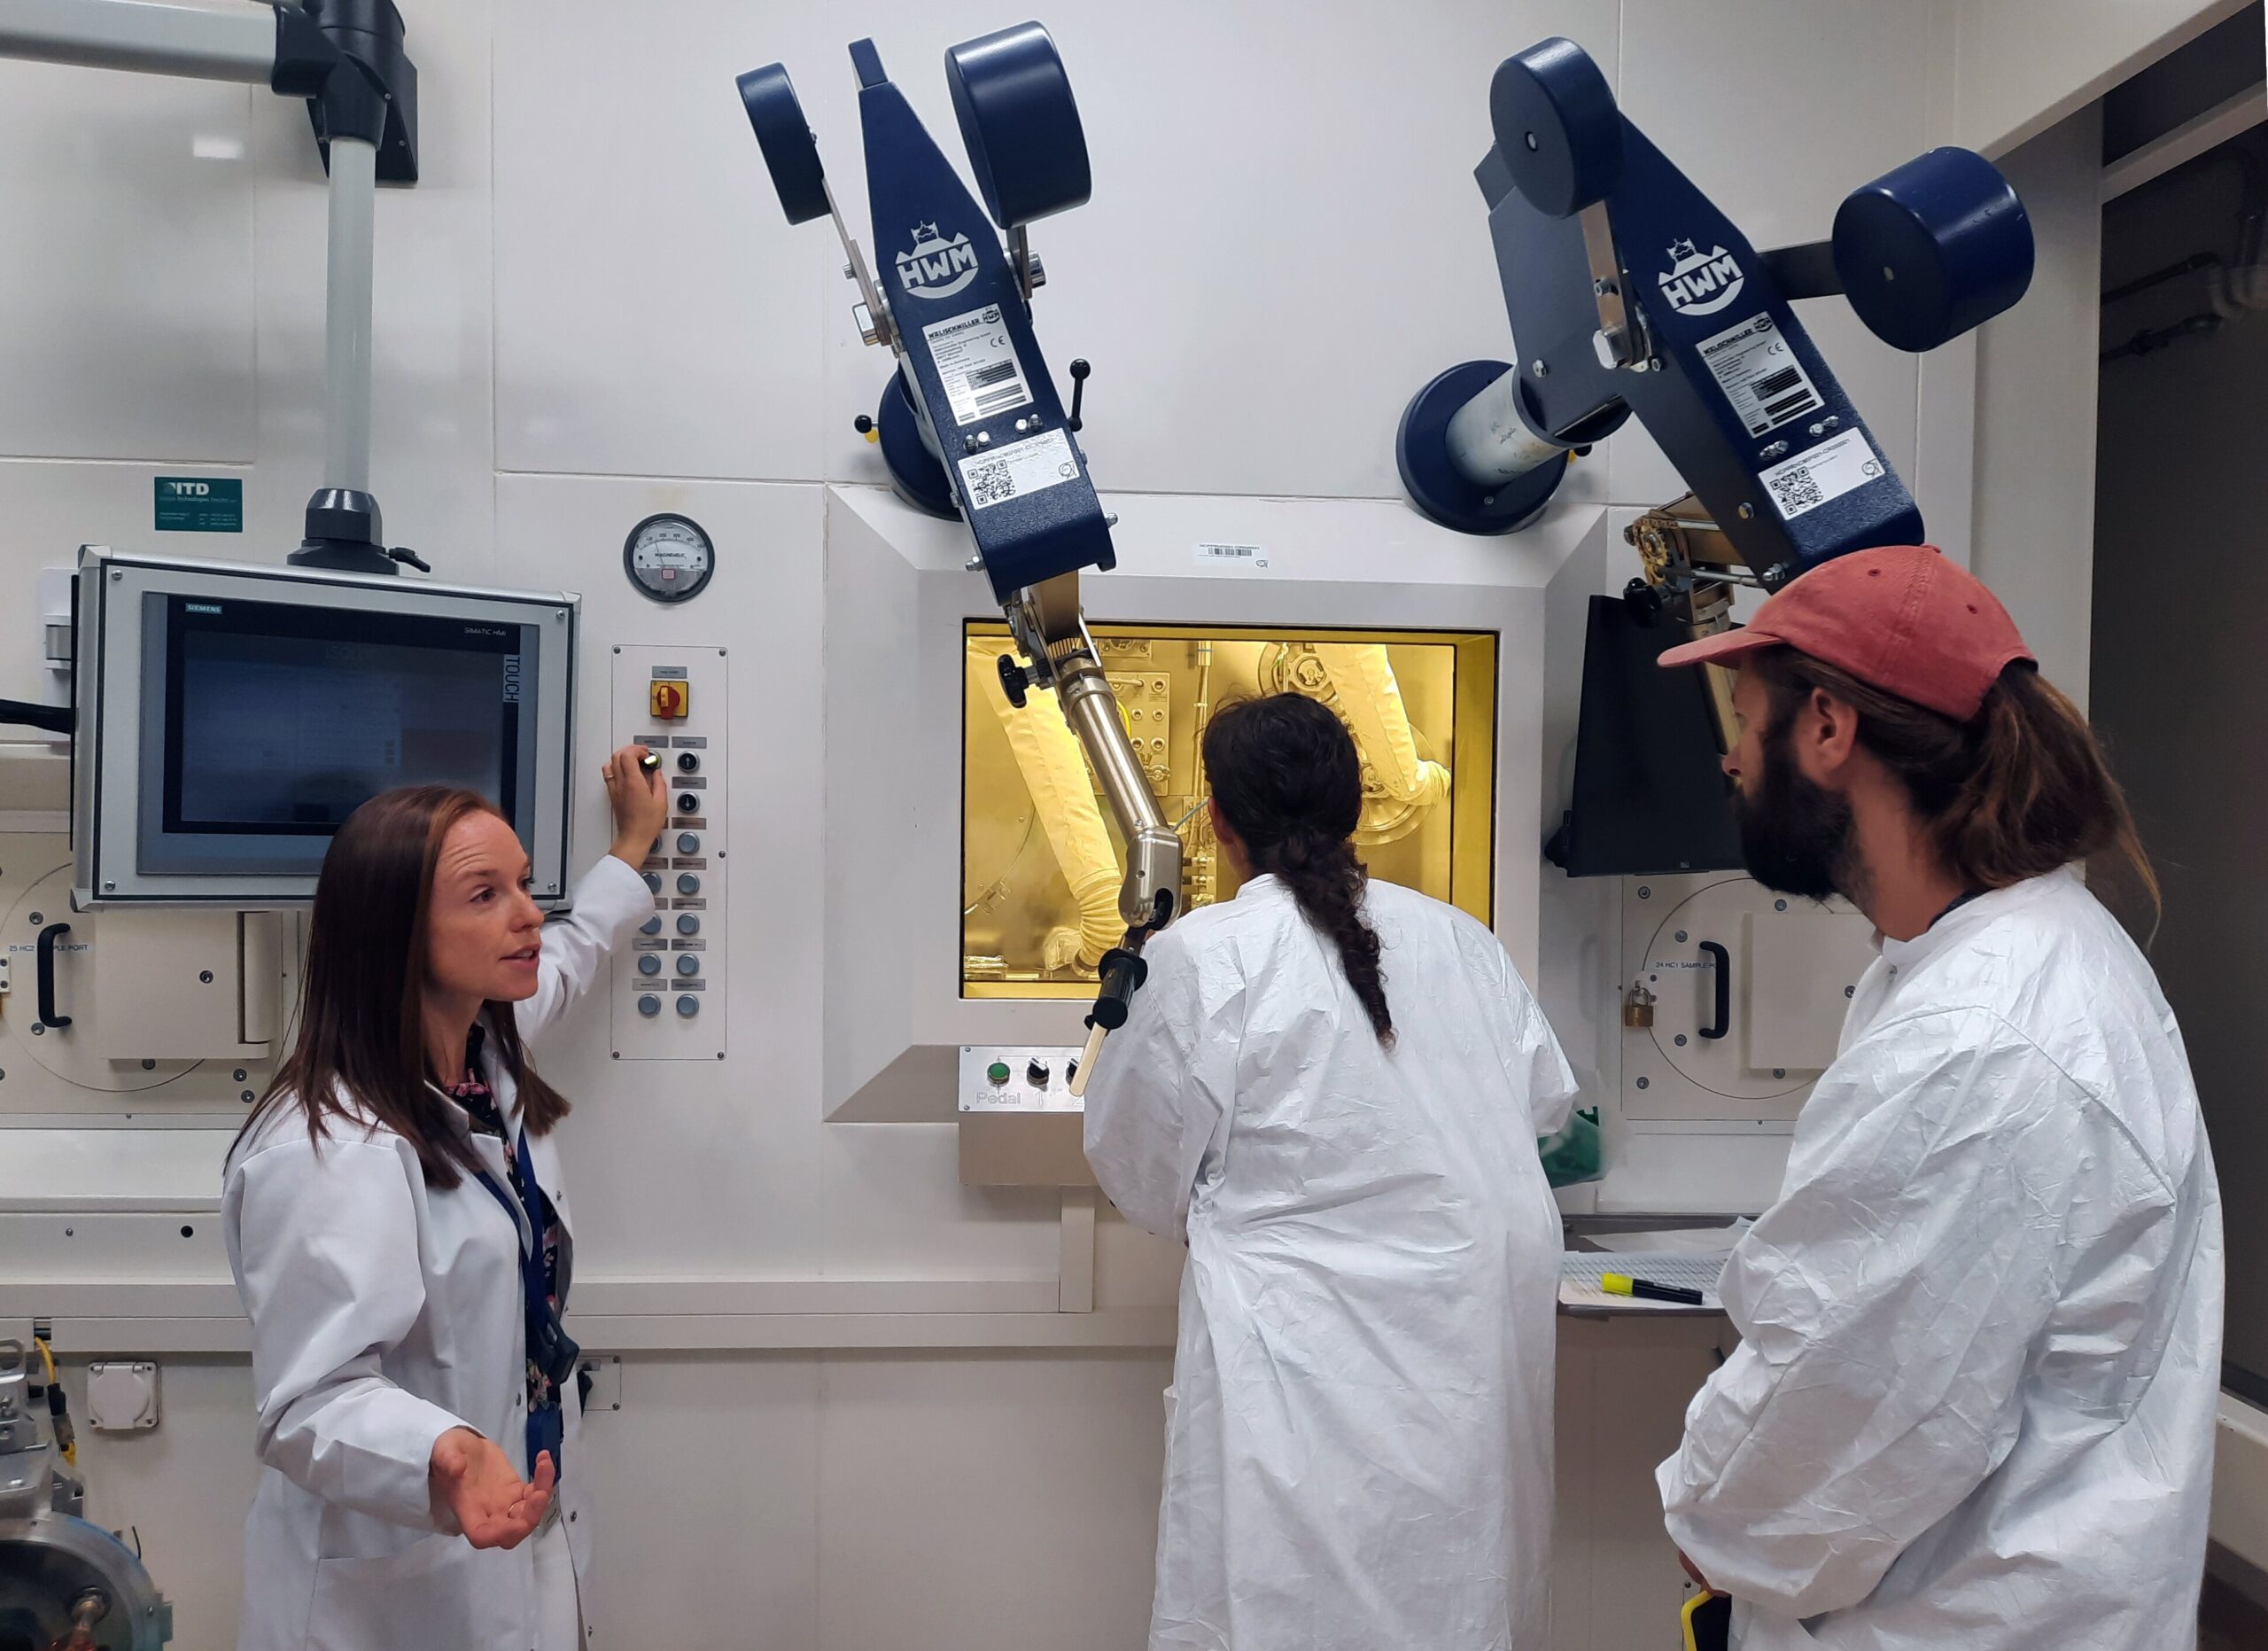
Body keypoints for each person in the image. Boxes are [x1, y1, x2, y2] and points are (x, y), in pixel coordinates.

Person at [1651, 545, 2223, 1650]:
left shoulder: (1982, 1040)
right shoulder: (2004, 962)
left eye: (1744, 718)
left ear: (1827, 728)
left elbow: (1848, 1400)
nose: (1729, 760)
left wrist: (1711, 1518)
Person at [1084, 692, 1578, 1651]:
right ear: (1351, 806)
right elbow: (1546, 1111)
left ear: (1219, 821)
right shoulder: (1463, 942)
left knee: (1281, 1605)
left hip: (1295, 1370)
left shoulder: (1201, 957)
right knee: (1453, 1603)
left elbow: (1136, 1167)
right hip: (1462, 1365)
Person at [222, 748, 669, 1651]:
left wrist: (631, 847)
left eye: (526, 885)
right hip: (394, 1588)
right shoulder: (328, 1149)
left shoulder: (480, 1058)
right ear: (397, 934)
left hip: (520, 1529)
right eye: (485, 896)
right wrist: (447, 1453)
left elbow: (571, 958)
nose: (528, 917)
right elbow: (306, 1403)